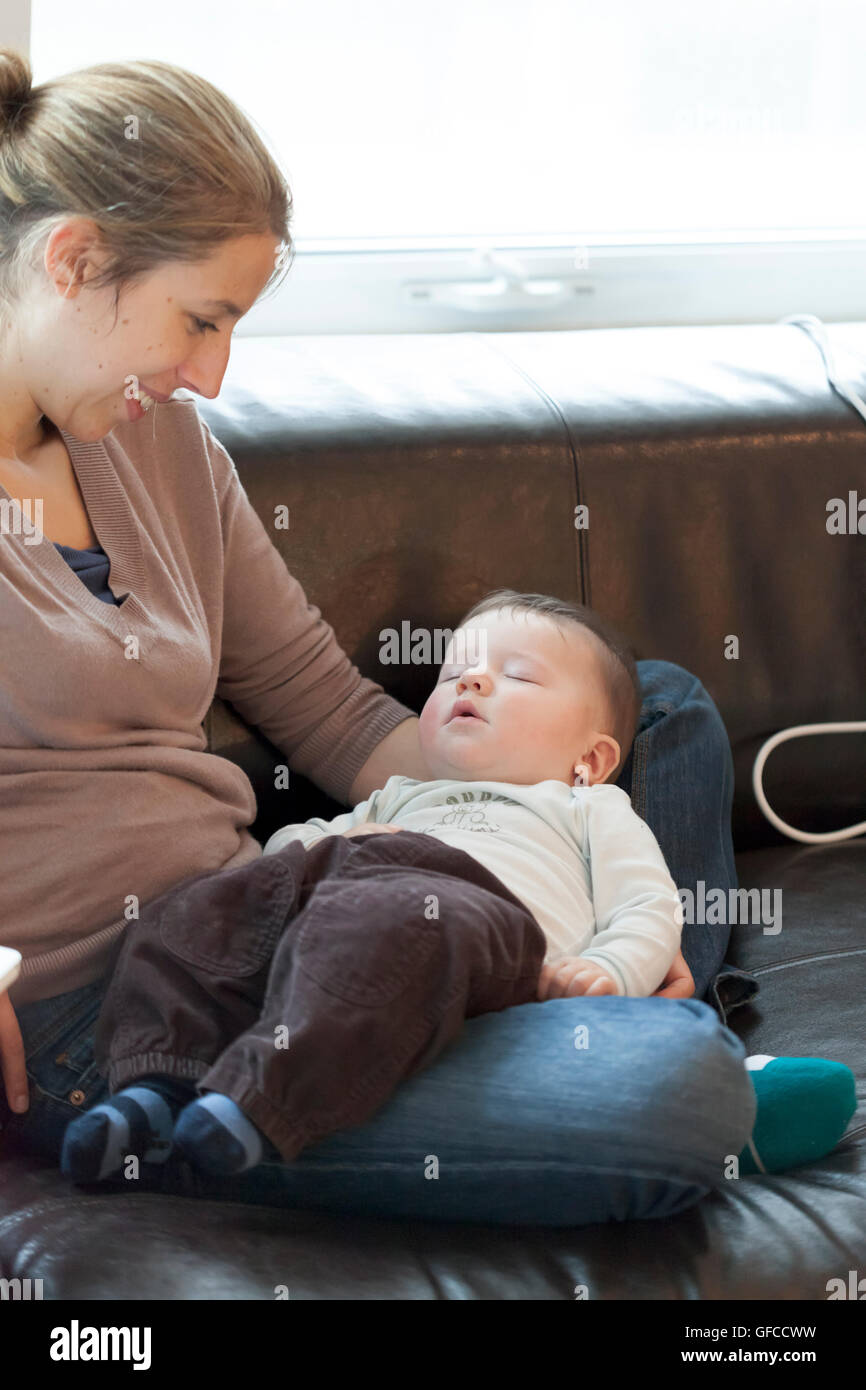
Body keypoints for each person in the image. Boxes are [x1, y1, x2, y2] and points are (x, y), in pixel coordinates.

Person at [0, 50, 852, 1227]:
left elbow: (328, 709)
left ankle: (622, 972)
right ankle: (654, 1044)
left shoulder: (162, 451)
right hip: (116, 1014)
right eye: (200, 320)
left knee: (645, 704)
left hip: (287, 912)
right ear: (75, 258)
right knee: (678, 1099)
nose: (211, 373)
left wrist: (493, 801)